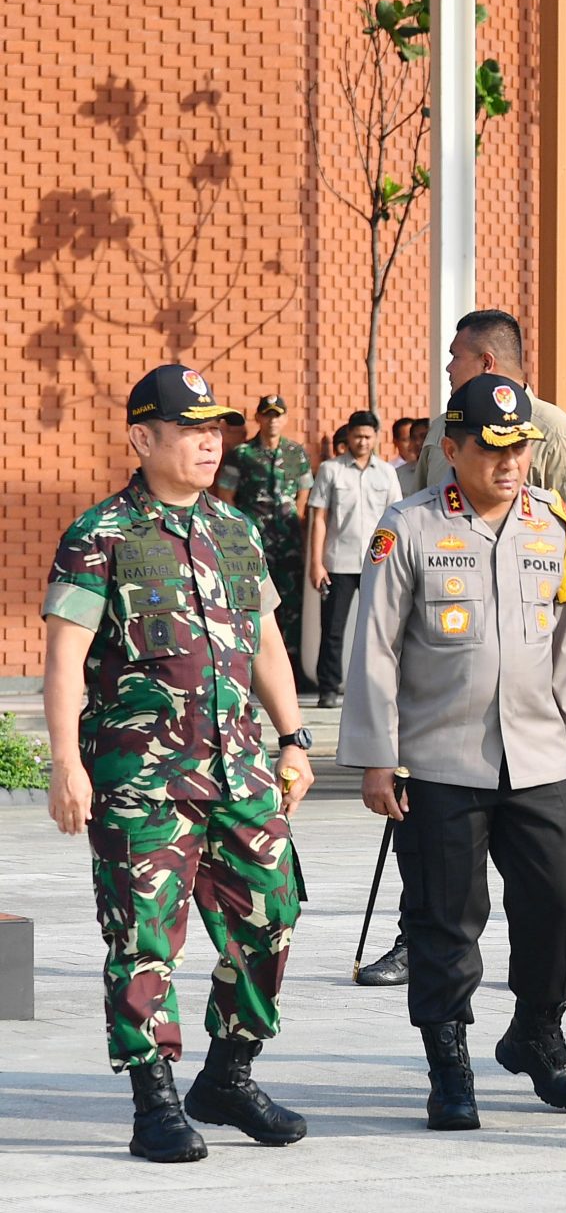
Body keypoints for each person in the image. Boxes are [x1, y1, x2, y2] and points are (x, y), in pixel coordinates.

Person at [41, 364, 316, 1162]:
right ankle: (152, 1100)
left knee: (272, 916)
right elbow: (63, 660)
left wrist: (293, 738)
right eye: (191, 428)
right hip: (143, 781)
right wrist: (67, 763)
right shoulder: (103, 535)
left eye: (215, 427)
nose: (210, 440)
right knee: (145, 940)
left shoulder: (236, 530)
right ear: (142, 437)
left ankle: (228, 1074)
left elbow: (264, 640)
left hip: (242, 773)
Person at [341, 373, 566, 1131]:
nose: (510, 460)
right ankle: (448, 1060)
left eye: (520, 445)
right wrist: (376, 756)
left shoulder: (552, 524)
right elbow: (375, 649)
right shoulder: (409, 527)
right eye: (492, 446)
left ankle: (537, 1031)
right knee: (445, 921)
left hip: (538, 754)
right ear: (452, 449)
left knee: (559, 903)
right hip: (440, 759)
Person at [412, 309, 566, 563]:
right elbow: (418, 521)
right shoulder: (441, 429)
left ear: (486, 363)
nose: (448, 368)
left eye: (455, 357)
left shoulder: (559, 436)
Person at [307, 410, 405, 708]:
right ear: (348, 436)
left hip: (377, 562)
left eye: (367, 436)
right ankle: (329, 688)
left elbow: (396, 519)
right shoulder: (330, 470)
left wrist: (396, 562)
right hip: (339, 561)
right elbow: (319, 517)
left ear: (376, 438)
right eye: (357, 436)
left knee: (380, 627)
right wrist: (316, 562)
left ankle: (378, 687)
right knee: (333, 629)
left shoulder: (387, 473)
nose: (362, 441)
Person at [220, 393, 312, 680]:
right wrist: (237, 535)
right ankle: (251, 670)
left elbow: (304, 494)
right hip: (253, 545)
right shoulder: (242, 455)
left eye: (278, 415)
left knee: (290, 605)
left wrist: (297, 523)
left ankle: (291, 671)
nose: (272, 420)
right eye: (267, 414)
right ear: (258, 418)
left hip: (289, 544)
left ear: (285, 419)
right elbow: (225, 496)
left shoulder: (297, 454)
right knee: (252, 605)